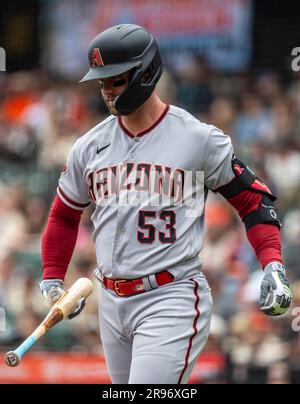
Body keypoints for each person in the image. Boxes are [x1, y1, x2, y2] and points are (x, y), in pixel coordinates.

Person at [39, 24, 292, 384]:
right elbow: (64, 214)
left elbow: (254, 201)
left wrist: (272, 265)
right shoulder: (88, 147)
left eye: (116, 79)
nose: (107, 91)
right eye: (102, 82)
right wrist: (51, 278)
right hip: (110, 302)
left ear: (145, 73)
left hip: (169, 297)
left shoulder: (197, 139)